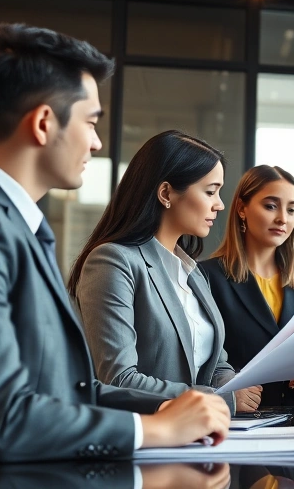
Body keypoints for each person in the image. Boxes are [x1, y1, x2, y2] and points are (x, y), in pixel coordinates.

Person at [0, 23, 229, 464]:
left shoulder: (10, 219)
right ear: (42, 123)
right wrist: (156, 428)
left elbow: (73, 391)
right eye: (91, 122)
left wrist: (176, 409)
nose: (96, 142)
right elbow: (2, 416)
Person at [68, 130, 252, 412]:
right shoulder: (112, 261)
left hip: (198, 436)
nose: (220, 204)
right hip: (144, 437)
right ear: (166, 193)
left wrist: (234, 383)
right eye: (210, 191)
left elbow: (215, 363)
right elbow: (118, 379)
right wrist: (218, 399)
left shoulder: (193, 273)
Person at [199, 165, 294, 407]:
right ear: (241, 208)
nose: (283, 218)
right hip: (236, 421)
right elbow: (198, 363)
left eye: (292, 210)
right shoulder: (206, 277)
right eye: (271, 206)